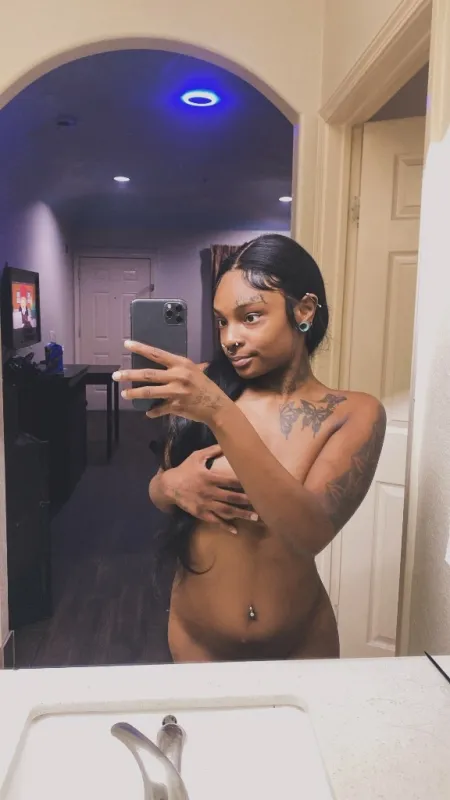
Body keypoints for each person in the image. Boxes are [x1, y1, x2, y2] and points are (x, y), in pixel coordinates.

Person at [113, 234, 386, 662]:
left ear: (304, 310)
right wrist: (169, 485)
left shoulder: (352, 413)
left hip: (302, 644)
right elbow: (160, 490)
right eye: (222, 321)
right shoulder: (200, 388)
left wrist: (220, 413)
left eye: (250, 317)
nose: (230, 338)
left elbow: (309, 533)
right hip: (197, 638)